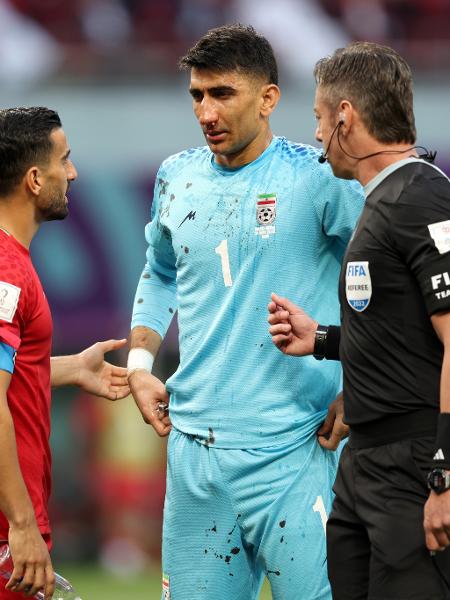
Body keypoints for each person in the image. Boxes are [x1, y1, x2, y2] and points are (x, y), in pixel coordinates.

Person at [127, 24, 364, 600]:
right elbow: (159, 272)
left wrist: (358, 383)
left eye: (223, 93)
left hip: (296, 450)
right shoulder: (176, 177)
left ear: (268, 98)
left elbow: (384, 282)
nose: (206, 111)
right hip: (195, 457)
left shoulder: (318, 179)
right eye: (197, 95)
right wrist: (139, 363)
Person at [268, 41, 450, 599]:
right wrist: (321, 340)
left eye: (320, 119)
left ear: (345, 116)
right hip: (366, 464)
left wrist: (444, 474)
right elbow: (405, 337)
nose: (318, 135)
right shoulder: (381, 200)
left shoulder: (421, 198)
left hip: (415, 465)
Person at [0, 106, 130, 600]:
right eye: (64, 160)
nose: (72, 172)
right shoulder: (7, 273)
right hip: (6, 527)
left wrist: (71, 367)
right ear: (35, 178)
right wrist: (22, 523)